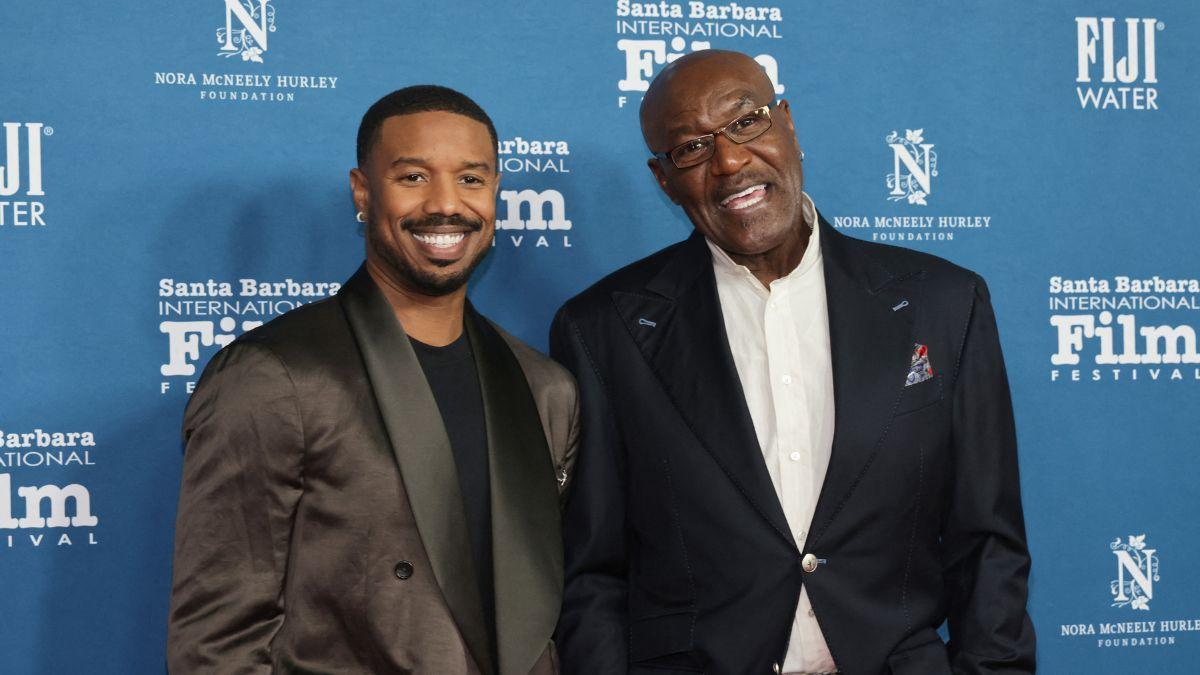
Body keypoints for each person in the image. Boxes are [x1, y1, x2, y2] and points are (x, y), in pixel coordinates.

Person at [551, 51, 1035, 674]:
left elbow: (988, 544)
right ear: (664, 179)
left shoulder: (943, 303)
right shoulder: (603, 330)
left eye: (747, 122)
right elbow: (593, 573)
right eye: (692, 148)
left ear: (788, 123)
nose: (729, 162)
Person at [167, 85, 578, 674]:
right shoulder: (273, 376)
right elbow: (216, 642)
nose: (446, 205)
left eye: (471, 179)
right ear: (363, 191)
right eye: (413, 177)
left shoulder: (547, 390)